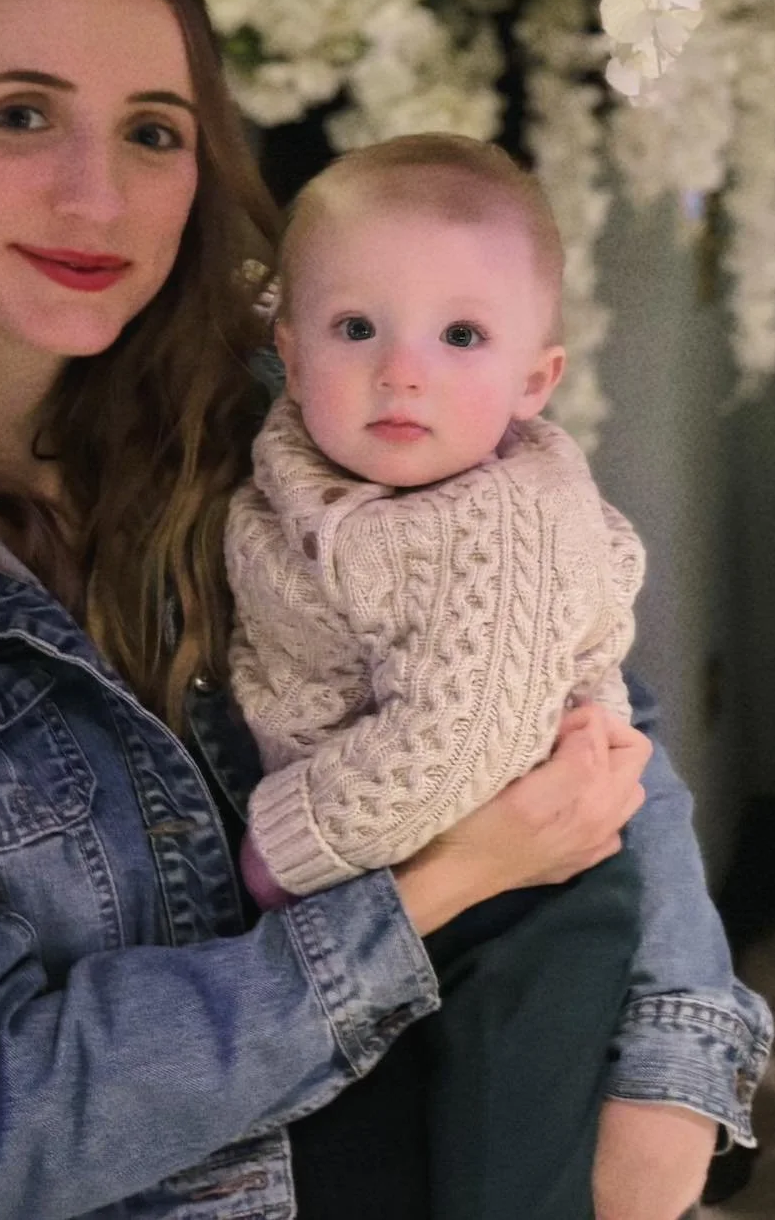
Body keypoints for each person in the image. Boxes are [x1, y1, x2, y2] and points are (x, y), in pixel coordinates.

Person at [0, 0, 772, 1220]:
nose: (93, 193)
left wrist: (675, 1070)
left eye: (151, 132)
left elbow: (587, 695)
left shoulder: (285, 404)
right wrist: (440, 883)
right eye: (19, 114)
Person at [227, 133, 652, 1220]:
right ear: (286, 344)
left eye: (461, 335)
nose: (401, 369)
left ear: (534, 379)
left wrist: (283, 843)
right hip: (399, 888)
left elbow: (455, 741)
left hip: (526, 900)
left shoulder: (493, 520)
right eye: (355, 326)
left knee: (501, 1184)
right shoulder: (301, 466)